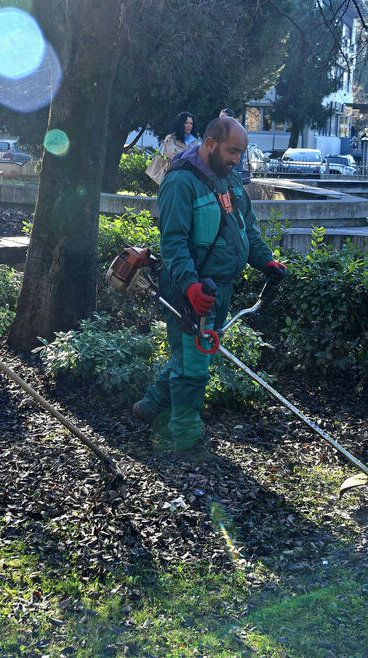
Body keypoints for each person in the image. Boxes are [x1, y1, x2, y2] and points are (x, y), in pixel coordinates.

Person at [132, 116, 287, 461]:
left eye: (241, 153)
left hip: (220, 291)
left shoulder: (229, 180)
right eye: (233, 151)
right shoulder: (180, 182)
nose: (238, 160)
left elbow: (247, 228)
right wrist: (189, 286)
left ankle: (148, 407)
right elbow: (173, 242)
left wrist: (266, 262)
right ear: (211, 143)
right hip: (190, 292)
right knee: (194, 367)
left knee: (195, 355)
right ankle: (184, 438)